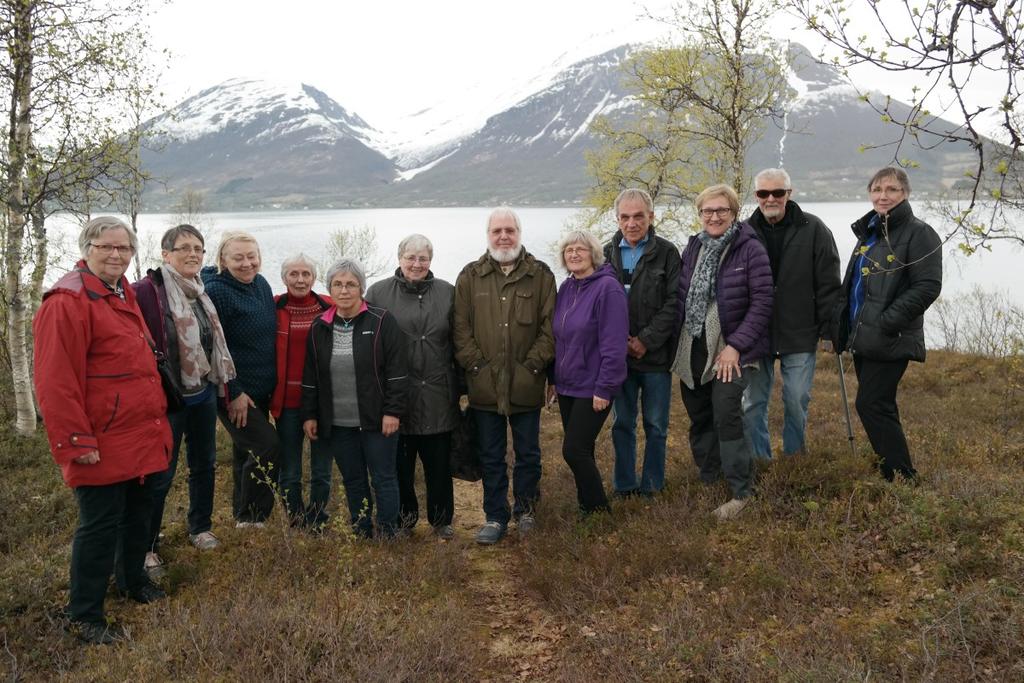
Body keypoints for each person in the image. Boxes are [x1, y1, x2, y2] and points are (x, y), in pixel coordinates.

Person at [33, 216, 172, 644]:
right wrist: (76, 442)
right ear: (87, 248)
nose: (116, 255)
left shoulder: (120, 291)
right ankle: (85, 614)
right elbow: (55, 382)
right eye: (106, 247)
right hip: (100, 438)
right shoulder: (67, 301)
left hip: (139, 433)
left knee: (137, 514)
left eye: (124, 249)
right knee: (98, 525)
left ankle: (132, 582)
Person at [133, 224, 236, 579]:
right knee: (160, 472)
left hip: (203, 393)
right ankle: (146, 546)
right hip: (168, 399)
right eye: (185, 248)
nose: (193, 254)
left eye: (199, 248)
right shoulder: (148, 291)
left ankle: (200, 527)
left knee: (204, 464)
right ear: (166, 254)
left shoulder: (200, 292)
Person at [831, 167, 942, 481]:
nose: (883, 196)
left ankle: (902, 474)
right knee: (880, 405)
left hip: (890, 336)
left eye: (891, 189)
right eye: (877, 189)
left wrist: (885, 322)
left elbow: (927, 287)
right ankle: (890, 469)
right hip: (865, 336)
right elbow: (853, 285)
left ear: (905, 193)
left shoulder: (919, 233)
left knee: (871, 404)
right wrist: (840, 325)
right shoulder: (871, 232)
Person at [453, 207, 556, 545]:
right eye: (497, 231)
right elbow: (461, 330)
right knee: (491, 455)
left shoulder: (540, 275)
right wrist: (478, 368)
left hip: (526, 385)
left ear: (519, 233)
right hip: (484, 386)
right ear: (488, 235)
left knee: (528, 454)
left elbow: (550, 328)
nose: (503, 237)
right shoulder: (470, 276)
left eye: (509, 230)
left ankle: (525, 511)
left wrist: (531, 369)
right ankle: (495, 517)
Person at [673, 185, 773, 520]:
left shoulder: (749, 249)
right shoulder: (693, 247)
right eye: (708, 211)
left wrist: (736, 346)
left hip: (733, 348)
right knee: (699, 414)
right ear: (700, 214)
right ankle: (710, 477)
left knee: (726, 412)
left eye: (722, 211)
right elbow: (682, 298)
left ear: (733, 213)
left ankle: (740, 492)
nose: (714, 217)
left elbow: (762, 303)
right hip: (694, 345)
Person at [301, 259, 408, 538]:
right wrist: (310, 415)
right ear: (330, 289)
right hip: (338, 422)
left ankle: (388, 531)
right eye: (338, 284)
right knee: (353, 479)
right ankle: (361, 529)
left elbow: (397, 372)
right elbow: (311, 376)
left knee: (383, 478)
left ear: (362, 287)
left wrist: (393, 412)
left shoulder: (382, 320)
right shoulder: (319, 326)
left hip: (376, 419)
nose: (344, 290)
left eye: (351, 284)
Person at [742, 169, 842, 459]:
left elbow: (829, 284)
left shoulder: (815, 228)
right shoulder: (744, 232)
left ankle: (794, 459)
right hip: (756, 334)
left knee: (796, 399)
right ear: (756, 196)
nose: (770, 198)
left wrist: (829, 330)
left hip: (799, 331)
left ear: (790, 193)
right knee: (752, 403)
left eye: (778, 193)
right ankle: (761, 462)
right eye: (763, 193)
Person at [366, 235, 459, 539]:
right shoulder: (378, 293)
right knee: (400, 465)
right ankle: (405, 520)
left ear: (430, 261)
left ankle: (442, 520)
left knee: (438, 464)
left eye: (423, 258)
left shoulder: (447, 292)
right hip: (397, 396)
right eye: (411, 257)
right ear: (399, 258)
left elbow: (459, 340)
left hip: (437, 392)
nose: (416, 264)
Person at [602, 189, 680, 497]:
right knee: (622, 424)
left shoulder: (668, 253)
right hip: (618, 358)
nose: (632, 223)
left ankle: (652, 487)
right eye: (625, 217)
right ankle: (624, 486)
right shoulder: (606, 253)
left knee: (656, 426)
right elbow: (600, 303)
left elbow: (675, 303)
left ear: (651, 216)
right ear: (617, 219)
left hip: (655, 357)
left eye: (638, 216)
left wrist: (645, 340)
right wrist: (619, 342)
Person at [201, 231, 281, 527]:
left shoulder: (261, 284)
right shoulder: (216, 291)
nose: (247, 263)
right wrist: (233, 391)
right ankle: (253, 517)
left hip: (262, 389)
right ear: (223, 259)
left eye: (252, 256)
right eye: (238, 258)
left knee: (244, 450)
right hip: (235, 390)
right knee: (267, 445)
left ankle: (241, 513)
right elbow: (213, 347)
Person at [549, 230, 628, 515]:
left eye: (580, 249)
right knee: (585, 449)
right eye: (568, 249)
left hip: (592, 386)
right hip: (568, 385)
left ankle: (599, 511)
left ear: (593, 253)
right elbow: (559, 338)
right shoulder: (567, 288)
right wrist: (554, 380)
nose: (574, 254)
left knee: (573, 450)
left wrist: (604, 388)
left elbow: (615, 344)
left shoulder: (608, 289)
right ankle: (586, 508)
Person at [269, 254, 332, 525]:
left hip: (323, 403)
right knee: (290, 470)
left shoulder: (328, 306)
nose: (300, 279)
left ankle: (317, 518)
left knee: (321, 469)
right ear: (284, 279)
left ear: (314, 278)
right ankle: (296, 519)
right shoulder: (274, 307)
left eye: (306, 274)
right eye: (293, 274)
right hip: (288, 403)